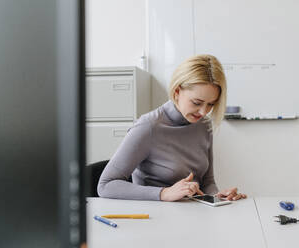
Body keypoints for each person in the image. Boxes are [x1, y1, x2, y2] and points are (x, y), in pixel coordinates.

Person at [97, 54, 246, 202]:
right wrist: (164, 193)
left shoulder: (204, 125)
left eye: (211, 104)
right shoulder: (148, 127)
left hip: (193, 215)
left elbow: (207, 182)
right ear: (177, 92)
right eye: (196, 102)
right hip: (155, 217)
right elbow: (106, 185)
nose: (203, 112)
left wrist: (218, 197)